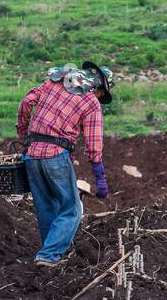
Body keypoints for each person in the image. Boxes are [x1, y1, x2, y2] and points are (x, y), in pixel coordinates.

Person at [15, 61, 114, 267]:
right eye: (101, 94)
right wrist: (100, 177)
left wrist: (23, 133)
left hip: (32, 154)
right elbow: (94, 144)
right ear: (97, 87)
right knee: (72, 209)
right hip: (56, 156)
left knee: (46, 208)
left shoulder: (54, 83)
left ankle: (49, 254)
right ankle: (49, 255)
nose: (99, 98)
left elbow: (27, 101)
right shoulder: (90, 101)